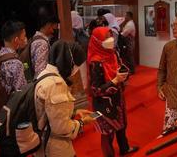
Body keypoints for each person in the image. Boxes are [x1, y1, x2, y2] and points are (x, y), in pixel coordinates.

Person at [34, 40, 94, 157]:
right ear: (69, 62)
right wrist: (81, 123)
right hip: (54, 148)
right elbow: (61, 128)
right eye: (77, 65)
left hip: (42, 140)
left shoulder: (44, 74)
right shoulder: (56, 84)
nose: (76, 69)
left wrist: (75, 111)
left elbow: (50, 110)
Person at [87, 27, 138, 157]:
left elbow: (119, 66)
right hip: (102, 103)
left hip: (117, 97)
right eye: (106, 38)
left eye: (111, 36)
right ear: (97, 41)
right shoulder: (95, 62)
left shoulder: (112, 53)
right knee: (107, 133)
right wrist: (115, 80)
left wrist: (123, 72)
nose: (110, 40)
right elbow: (96, 90)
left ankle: (124, 148)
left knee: (122, 126)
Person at [0, 20, 27, 95]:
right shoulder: (16, 64)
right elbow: (22, 94)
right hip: (12, 105)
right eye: (24, 37)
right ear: (16, 40)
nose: (25, 39)